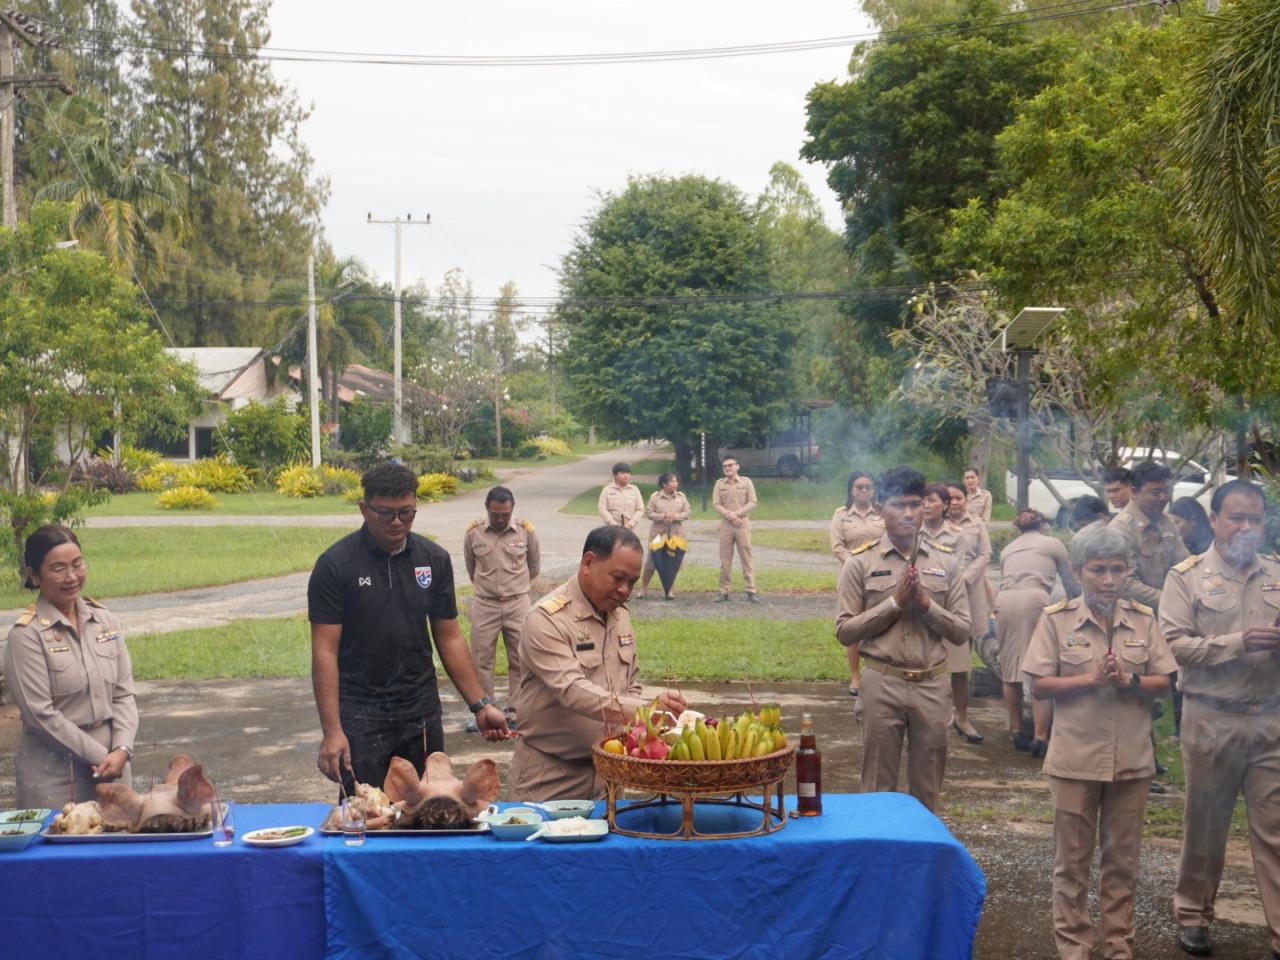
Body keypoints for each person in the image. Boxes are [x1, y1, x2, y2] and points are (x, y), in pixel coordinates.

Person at [1022, 522, 1175, 960]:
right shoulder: (1056, 620)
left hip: (1132, 760)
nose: (1108, 580)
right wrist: (1090, 679)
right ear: (1076, 571)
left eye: (1117, 569)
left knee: (1122, 863)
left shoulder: (1143, 620)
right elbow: (1039, 685)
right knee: (1071, 864)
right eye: (1097, 570)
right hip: (1075, 760)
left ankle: (1119, 947)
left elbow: (1165, 681)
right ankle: (1074, 949)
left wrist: (1130, 681)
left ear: (1128, 571)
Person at [309, 463, 508, 795]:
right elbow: (324, 651)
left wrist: (480, 704)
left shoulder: (433, 559)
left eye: (407, 513)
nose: (397, 522)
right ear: (364, 509)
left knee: (430, 807)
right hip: (361, 714)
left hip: (420, 711)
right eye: (386, 514)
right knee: (367, 810)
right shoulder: (336, 565)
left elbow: (449, 636)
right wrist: (332, 731)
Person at [1158, 479, 1280, 959]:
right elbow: (1174, 645)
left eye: (1255, 519)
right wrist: (1237, 643)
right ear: (1214, 520)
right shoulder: (1185, 577)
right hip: (1211, 719)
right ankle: (1193, 915)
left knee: (1276, 830)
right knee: (1206, 825)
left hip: (1271, 721)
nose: (1246, 527)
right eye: (1236, 518)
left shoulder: (1277, 573)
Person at [509, 526, 687, 800]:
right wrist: (646, 710)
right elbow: (572, 691)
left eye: (632, 582)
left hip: (609, 776)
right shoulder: (546, 619)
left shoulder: (619, 614)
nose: (624, 590)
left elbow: (630, 683)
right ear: (588, 563)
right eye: (618, 578)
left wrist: (646, 729)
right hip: (550, 779)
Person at [835, 466, 971, 813]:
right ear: (881, 508)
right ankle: (877, 848)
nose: (909, 513)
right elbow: (845, 631)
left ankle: (923, 848)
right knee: (877, 789)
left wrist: (926, 605)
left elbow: (961, 631)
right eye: (899, 505)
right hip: (882, 682)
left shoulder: (945, 561)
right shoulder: (860, 562)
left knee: (928, 790)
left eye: (915, 504)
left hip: (932, 684)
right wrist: (894, 603)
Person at [3, 525, 139, 809]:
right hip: (55, 775)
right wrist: (102, 756)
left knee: (120, 835)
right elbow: (40, 715)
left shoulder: (105, 621)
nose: (71, 576)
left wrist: (122, 748)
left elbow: (124, 694)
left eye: (77, 564)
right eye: (58, 568)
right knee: (62, 837)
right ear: (34, 575)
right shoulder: (26, 635)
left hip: (114, 765)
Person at [996, 509, 1079, 756]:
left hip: (1004, 600)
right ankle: (1041, 737)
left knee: (1010, 669)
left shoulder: (1007, 549)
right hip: (1034, 598)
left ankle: (1017, 730)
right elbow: (1070, 582)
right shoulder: (1053, 544)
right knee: (1039, 667)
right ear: (1042, 525)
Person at [462, 485, 541, 731]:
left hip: (518, 603)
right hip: (485, 603)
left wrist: (515, 588)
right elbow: (471, 566)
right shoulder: (474, 532)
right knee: (481, 659)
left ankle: (516, 710)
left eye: (505, 514)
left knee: (520, 658)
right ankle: (485, 711)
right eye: (495, 514)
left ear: (512, 510)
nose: (500, 519)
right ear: (487, 509)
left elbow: (534, 566)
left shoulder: (526, 531)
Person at [831, 471, 885, 697]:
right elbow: (837, 546)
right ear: (851, 490)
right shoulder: (841, 515)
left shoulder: (882, 513)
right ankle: (855, 676)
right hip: (851, 578)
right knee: (853, 626)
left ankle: (876, 674)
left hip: (880, 577)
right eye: (859, 487)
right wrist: (857, 567)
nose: (864, 491)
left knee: (879, 624)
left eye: (868, 487)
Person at [945, 482, 992, 743]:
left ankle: (962, 716)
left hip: (970, 594)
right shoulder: (933, 525)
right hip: (942, 596)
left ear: (966, 499)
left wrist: (966, 577)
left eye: (959, 497)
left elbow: (985, 554)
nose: (954, 502)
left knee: (962, 661)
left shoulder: (977, 524)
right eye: (950, 498)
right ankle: (940, 713)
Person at [1110, 461, 1188, 615]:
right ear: (1134, 491)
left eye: (1166, 491)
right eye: (1155, 493)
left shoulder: (1167, 522)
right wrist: (1172, 602)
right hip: (1135, 616)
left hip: (1169, 612)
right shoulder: (1120, 530)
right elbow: (1126, 584)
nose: (1163, 498)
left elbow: (1184, 565)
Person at [712, 455, 759, 602]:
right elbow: (716, 504)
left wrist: (737, 514)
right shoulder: (719, 484)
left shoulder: (746, 482)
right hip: (726, 525)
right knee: (725, 559)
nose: (728, 468)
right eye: (725, 466)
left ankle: (751, 590)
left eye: (730, 465)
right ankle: (724, 591)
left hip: (742, 524)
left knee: (746, 557)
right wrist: (730, 515)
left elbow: (753, 502)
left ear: (737, 466)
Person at [637, 472, 691, 600]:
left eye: (676, 481)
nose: (675, 484)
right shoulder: (655, 497)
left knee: (673, 562)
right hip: (658, 534)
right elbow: (649, 513)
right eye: (672, 481)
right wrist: (663, 516)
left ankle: (669, 590)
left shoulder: (681, 497)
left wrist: (675, 517)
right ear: (664, 484)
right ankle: (643, 588)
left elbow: (687, 512)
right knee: (652, 561)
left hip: (676, 534)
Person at [597, 462, 644, 529]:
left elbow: (640, 509)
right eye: (623, 473)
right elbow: (602, 509)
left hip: (630, 528)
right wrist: (613, 524)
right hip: (612, 528)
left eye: (628, 473)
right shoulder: (607, 490)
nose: (626, 475)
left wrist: (630, 524)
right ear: (615, 475)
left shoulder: (634, 490)